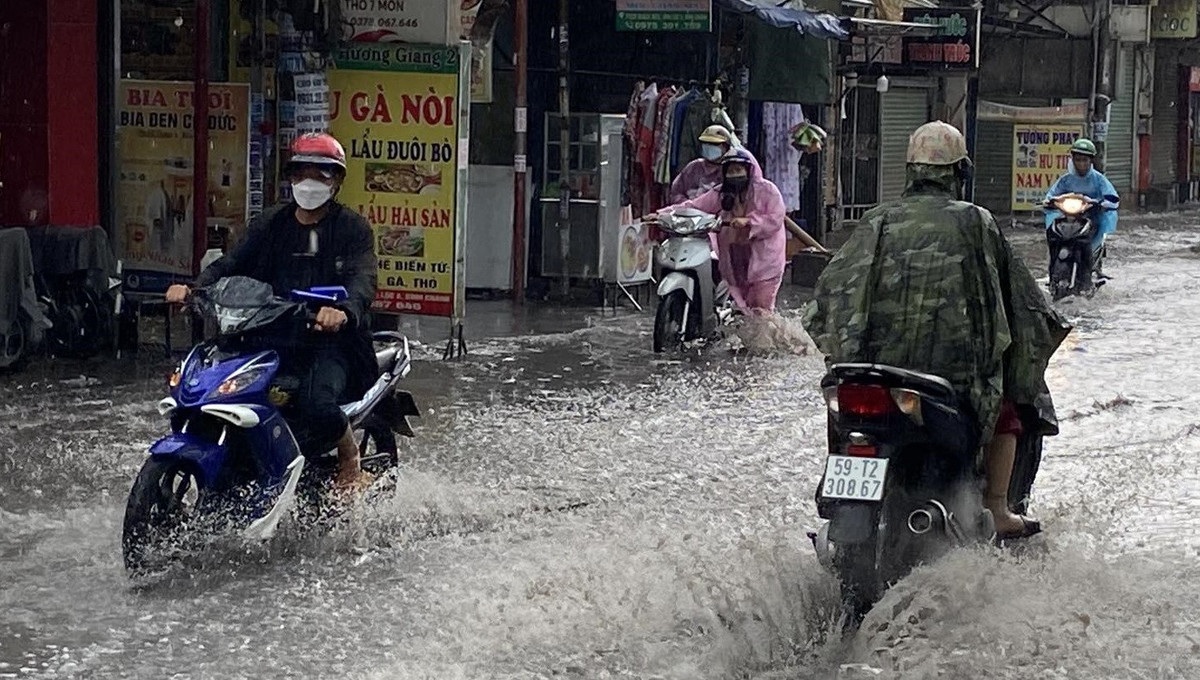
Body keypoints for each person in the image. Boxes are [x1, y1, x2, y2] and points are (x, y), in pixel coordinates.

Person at [803, 121, 1071, 539]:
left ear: (911, 170)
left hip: (875, 371)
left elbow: (831, 295)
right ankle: (998, 509)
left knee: (841, 406)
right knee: (1010, 409)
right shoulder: (976, 222)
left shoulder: (878, 220)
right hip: (953, 380)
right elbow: (1023, 301)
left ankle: (836, 490)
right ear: (958, 172)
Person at [166, 132, 378, 492]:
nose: (310, 183)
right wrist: (193, 288)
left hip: (329, 343)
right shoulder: (270, 224)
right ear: (291, 177)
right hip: (269, 332)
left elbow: (363, 280)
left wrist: (342, 310)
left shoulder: (352, 229)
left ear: (337, 181)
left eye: (321, 174)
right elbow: (232, 264)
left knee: (316, 403)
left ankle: (348, 460)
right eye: (302, 173)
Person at [654, 149, 787, 314]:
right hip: (734, 254)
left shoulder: (768, 191)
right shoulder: (721, 193)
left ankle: (765, 337)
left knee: (761, 307)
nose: (734, 175)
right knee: (742, 305)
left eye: (738, 170)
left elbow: (776, 217)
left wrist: (749, 221)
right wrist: (662, 214)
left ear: (749, 170)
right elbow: (694, 205)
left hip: (765, 260)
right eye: (730, 171)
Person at [1044, 138, 1119, 284]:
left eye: (1085, 160)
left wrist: (1102, 204)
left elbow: (1112, 198)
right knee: (1052, 236)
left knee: (1087, 242)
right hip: (1068, 218)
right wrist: (1049, 202)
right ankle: (1052, 273)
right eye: (1078, 160)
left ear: (1091, 161)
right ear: (1072, 159)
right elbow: (1051, 195)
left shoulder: (1099, 179)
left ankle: (1087, 279)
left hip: (1091, 218)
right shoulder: (1065, 180)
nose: (1081, 164)